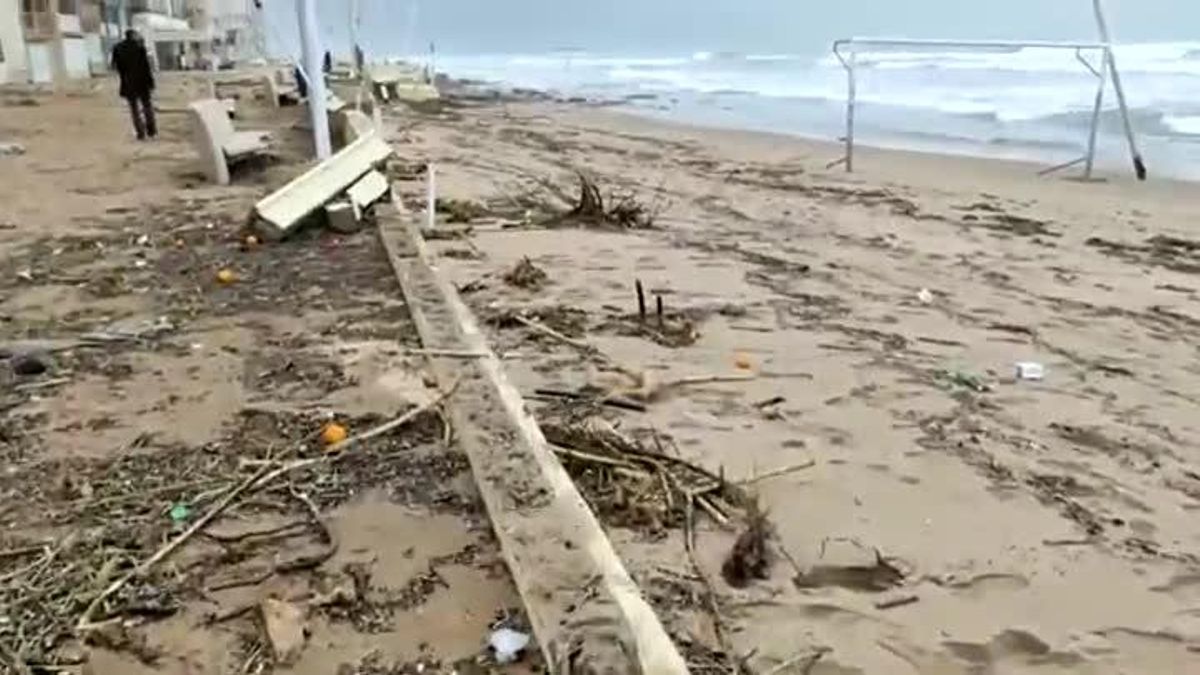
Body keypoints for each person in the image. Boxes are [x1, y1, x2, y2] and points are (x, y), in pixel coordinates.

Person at [111, 30, 157, 140]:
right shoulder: (140, 47)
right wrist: (151, 83)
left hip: (128, 82)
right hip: (142, 82)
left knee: (134, 109)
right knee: (147, 106)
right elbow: (146, 67)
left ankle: (140, 133)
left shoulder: (117, 48)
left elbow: (114, 66)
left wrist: (124, 74)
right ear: (133, 36)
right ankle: (151, 131)